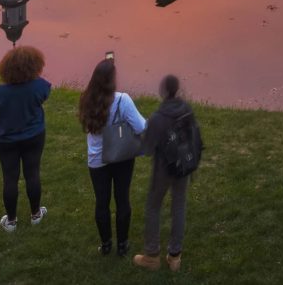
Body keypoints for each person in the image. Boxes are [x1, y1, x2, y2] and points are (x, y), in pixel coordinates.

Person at [134, 74, 204, 272]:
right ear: (177, 90)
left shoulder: (157, 118)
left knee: (153, 206)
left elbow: (146, 149)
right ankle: (175, 257)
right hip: (184, 166)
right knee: (179, 205)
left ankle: (152, 256)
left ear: (163, 91)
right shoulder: (187, 109)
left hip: (163, 169)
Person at [78, 57, 147, 256]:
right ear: (112, 80)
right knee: (122, 199)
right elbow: (141, 127)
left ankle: (106, 244)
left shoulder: (86, 99)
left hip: (96, 159)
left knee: (102, 202)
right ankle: (123, 245)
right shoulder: (122, 100)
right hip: (121, 157)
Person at [0, 45, 51, 232]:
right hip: (34, 136)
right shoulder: (40, 86)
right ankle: (35, 215)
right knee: (32, 173)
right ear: (34, 66)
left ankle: (11, 221)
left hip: (6, 140)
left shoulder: (1, 91)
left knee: (10, 178)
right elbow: (44, 95)